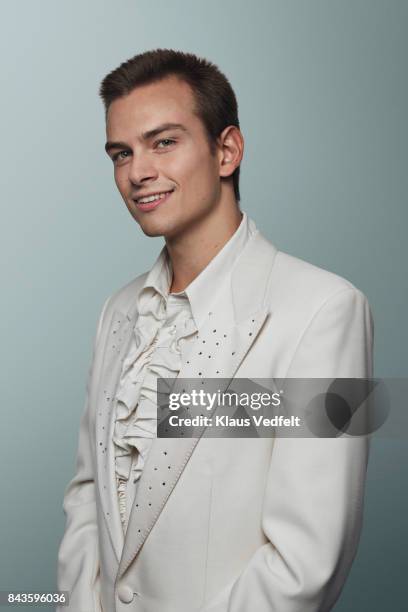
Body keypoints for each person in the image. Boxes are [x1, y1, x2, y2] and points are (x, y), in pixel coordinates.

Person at [56, 49, 373, 612]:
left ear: (227, 150)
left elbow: (306, 562)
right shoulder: (116, 311)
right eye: (121, 153)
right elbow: (88, 497)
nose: (137, 172)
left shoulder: (326, 309)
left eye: (164, 142)